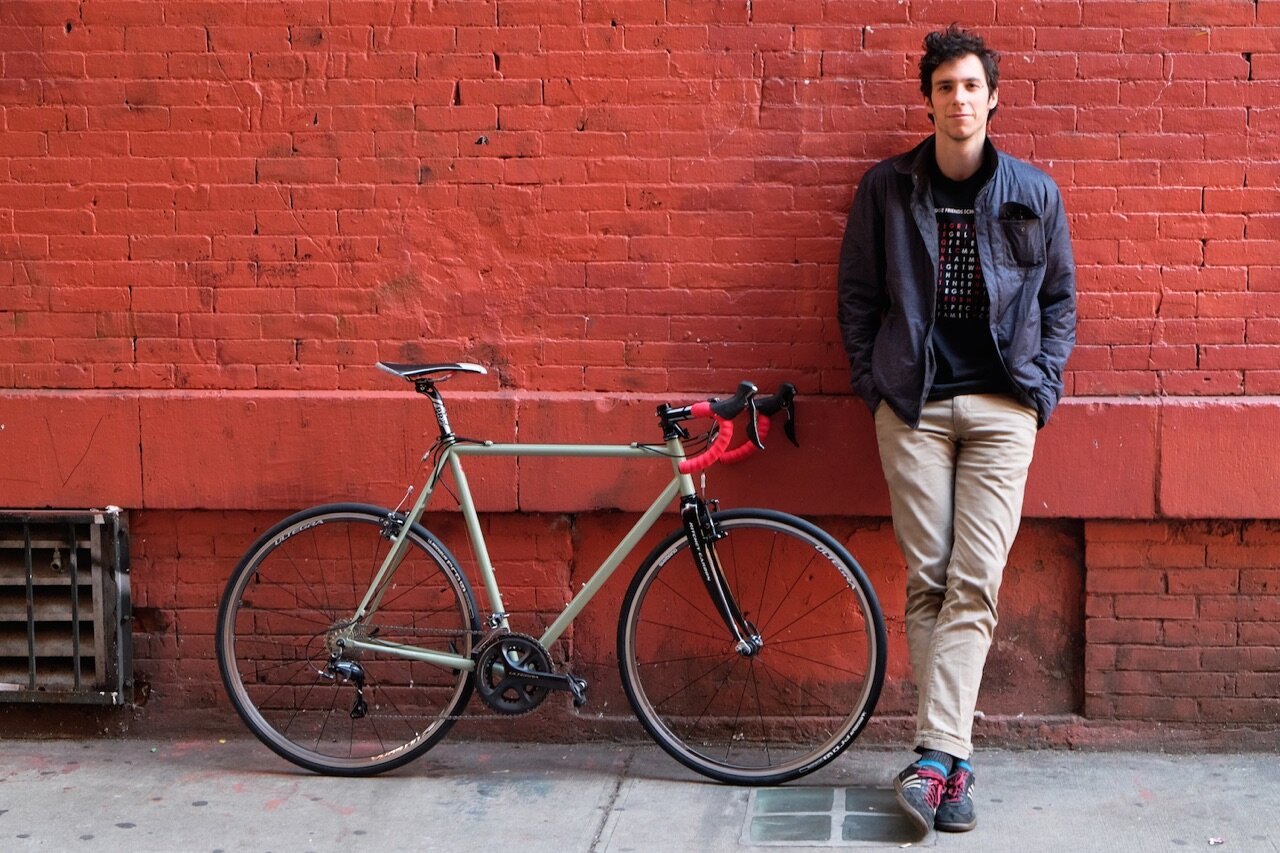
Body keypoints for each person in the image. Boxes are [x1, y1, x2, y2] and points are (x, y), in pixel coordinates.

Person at [836, 24, 1077, 836]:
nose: (960, 99)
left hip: (1004, 408)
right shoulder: (886, 188)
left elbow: (1058, 302)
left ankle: (936, 755)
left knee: (973, 578)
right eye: (946, 87)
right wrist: (874, 384)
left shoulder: (1033, 191)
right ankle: (953, 768)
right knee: (930, 575)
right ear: (929, 101)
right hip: (913, 405)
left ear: (993, 97)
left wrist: (1039, 390)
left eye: (972, 85)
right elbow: (858, 296)